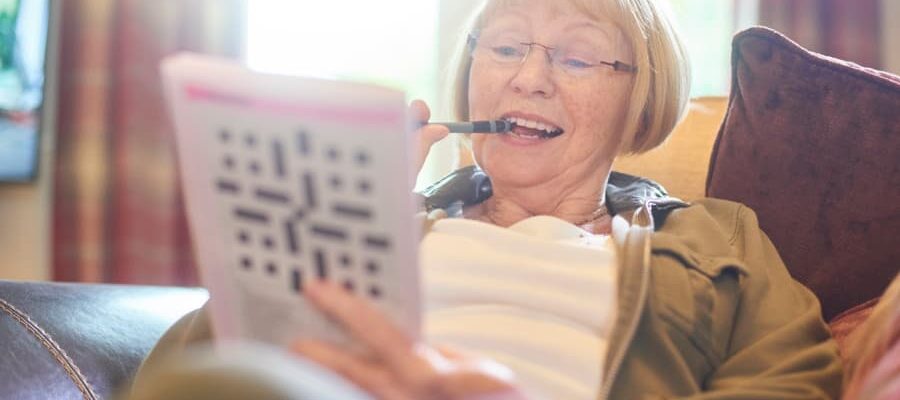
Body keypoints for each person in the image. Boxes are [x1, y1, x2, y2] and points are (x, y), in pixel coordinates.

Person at [130, 0, 843, 399]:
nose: (528, 78)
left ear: (640, 98)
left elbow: (791, 390)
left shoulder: (718, 241)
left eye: (574, 56)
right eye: (504, 48)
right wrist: (337, 233)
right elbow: (182, 375)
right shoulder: (402, 224)